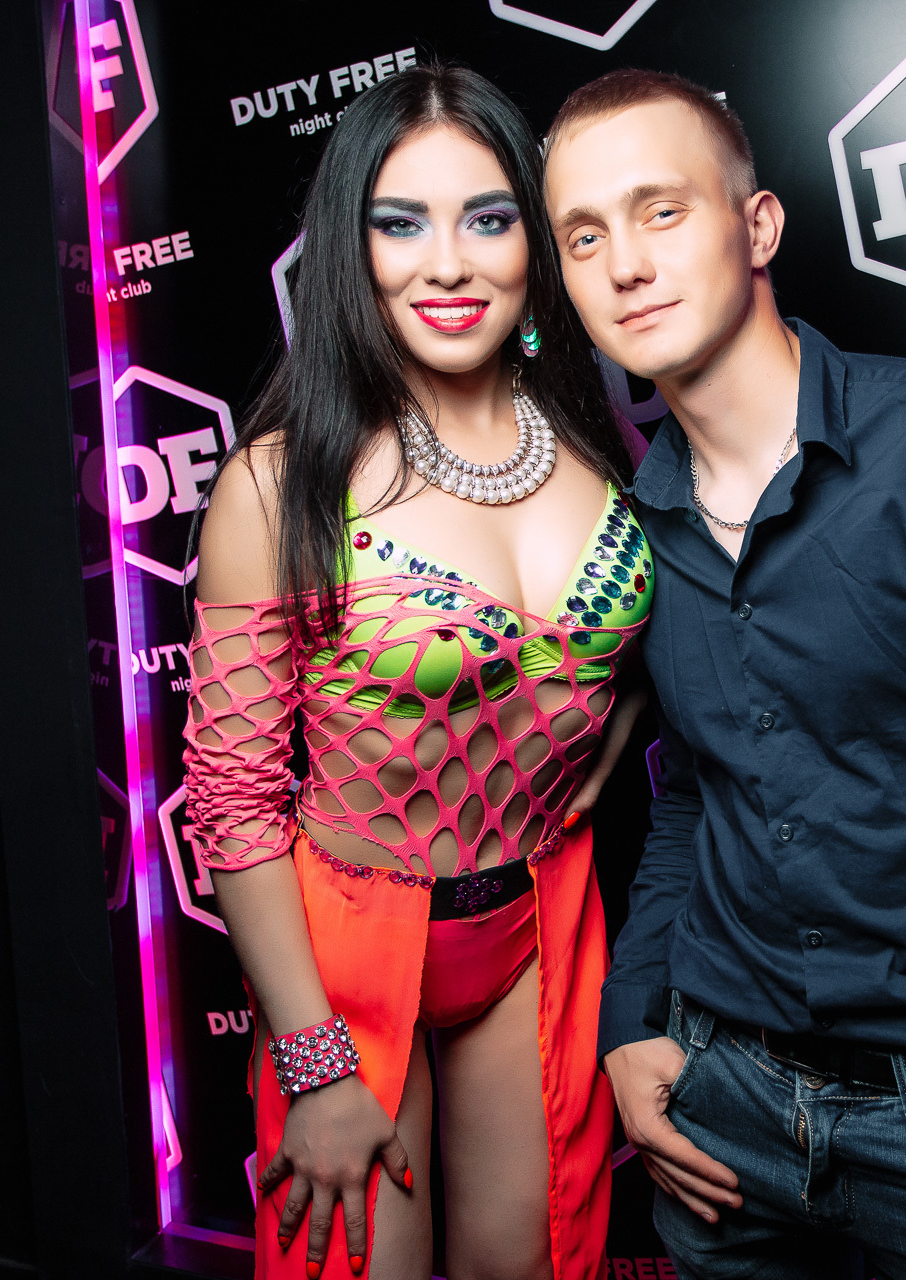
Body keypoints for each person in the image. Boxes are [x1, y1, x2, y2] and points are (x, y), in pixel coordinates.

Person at [542, 70, 906, 1279]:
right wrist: (632, 1022)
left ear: (758, 226)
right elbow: (694, 791)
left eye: (662, 211)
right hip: (717, 1114)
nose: (627, 266)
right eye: (586, 236)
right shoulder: (628, 529)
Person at [184, 65, 653, 1280]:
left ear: (533, 237)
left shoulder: (603, 449)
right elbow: (232, 800)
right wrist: (312, 1060)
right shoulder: (279, 484)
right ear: (354, 250)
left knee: (540, 1261)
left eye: (487, 218)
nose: (448, 264)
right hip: (346, 953)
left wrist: (625, 712)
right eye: (402, 223)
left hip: (541, 914)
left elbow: (672, 624)